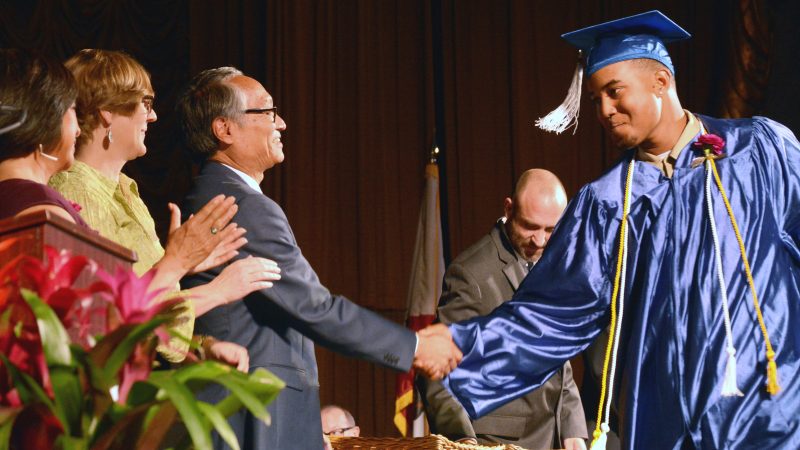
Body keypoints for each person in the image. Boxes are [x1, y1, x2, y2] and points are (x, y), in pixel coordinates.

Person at [441, 10, 800, 450]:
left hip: (774, 411)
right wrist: (451, 349)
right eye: (595, 100)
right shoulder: (606, 204)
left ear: (660, 82)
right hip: (668, 423)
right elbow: (549, 315)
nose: (604, 111)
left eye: (614, 93)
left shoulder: (760, 150)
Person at [176, 66, 462, 450]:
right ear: (224, 129)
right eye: (267, 111)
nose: (282, 123)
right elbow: (314, 307)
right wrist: (414, 347)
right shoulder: (240, 205)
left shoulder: (221, 196)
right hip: (253, 418)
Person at [0, 48, 245, 364]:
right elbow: (98, 328)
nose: (78, 127)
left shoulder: (32, 202)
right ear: (43, 118)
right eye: (72, 111)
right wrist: (177, 263)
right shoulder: (43, 210)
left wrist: (197, 343)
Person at [48, 49, 283, 367]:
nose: (153, 116)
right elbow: (107, 318)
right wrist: (213, 288)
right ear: (107, 113)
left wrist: (200, 346)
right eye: (145, 104)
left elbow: (149, 313)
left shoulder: (126, 190)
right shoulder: (77, 191)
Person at [422, 168, 587, 450]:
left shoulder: (555, 262)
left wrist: (572, 429)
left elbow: (559, 359)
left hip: (552, 438)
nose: (540, 240)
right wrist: (463, 440)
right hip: (494, 443)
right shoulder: (471, 274)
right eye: (530, 227)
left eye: (551, 229)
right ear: (508, 209)